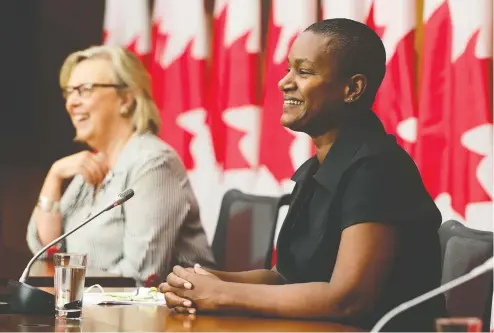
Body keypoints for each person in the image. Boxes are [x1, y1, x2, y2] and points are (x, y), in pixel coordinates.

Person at [159, 18, 446, 331]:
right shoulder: (319, 167)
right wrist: (204, 282)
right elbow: (285, 276)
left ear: (353, 88)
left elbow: (348, 299)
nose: (285, 83)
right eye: (288, 70)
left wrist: (223, 294)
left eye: (304, 72)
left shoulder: (378, 168)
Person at [26, 45, 215, 285]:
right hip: (99, 309)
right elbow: (47, 254)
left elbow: (140, 275)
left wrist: (69, 290)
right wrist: (54, 176)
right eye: (69, 92)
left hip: (167, 318)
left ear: (126, 99)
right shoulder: (93, 164)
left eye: (84, 90)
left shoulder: (154, 164)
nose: (71, 102)